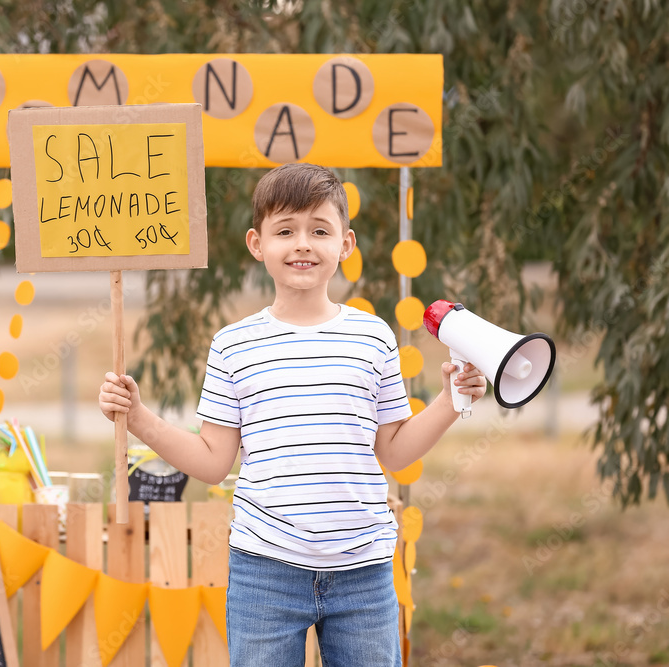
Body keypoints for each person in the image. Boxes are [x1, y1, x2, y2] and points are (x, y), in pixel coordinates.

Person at [98, 163, 486, 667]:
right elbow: (215, 462)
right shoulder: (233, 345)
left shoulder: (373, 339)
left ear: (345, 245)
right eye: (285, 231)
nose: (302, 244)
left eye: (319, 231)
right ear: (257, 244)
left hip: (363, 572)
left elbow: (394, 450)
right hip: (265, 571)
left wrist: (452, 400)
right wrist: (139, 417)